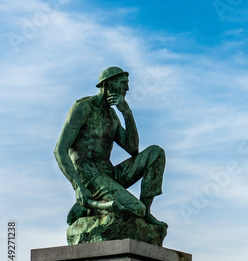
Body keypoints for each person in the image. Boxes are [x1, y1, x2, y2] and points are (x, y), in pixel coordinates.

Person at [54, 66, 167, 227]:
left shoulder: (112, 115)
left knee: (156, 152)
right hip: (90, 177)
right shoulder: (82, 108)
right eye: (122, 83)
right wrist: (78, 186)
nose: (127, 88)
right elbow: (59, 150)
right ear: (107, 85)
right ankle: (89, 207)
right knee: (135, 209)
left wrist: (127, 112)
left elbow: (133, 149)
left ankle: (146, 213)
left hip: (110, 174)